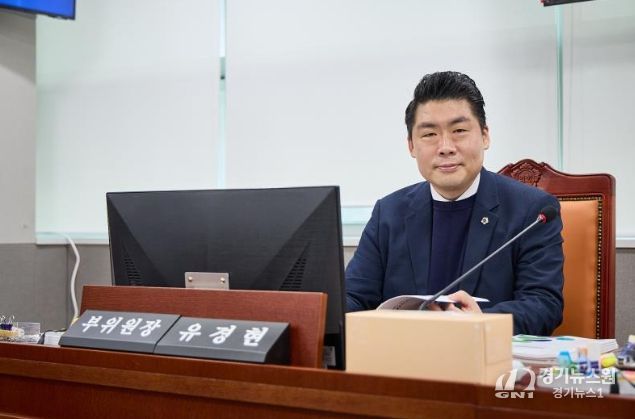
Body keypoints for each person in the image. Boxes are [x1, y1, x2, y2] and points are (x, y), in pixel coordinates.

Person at [345, 71, 564, 335]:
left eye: (459, 131)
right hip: (405, 354)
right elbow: (354, 297)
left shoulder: (532, 211)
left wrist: (483, 321)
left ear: (485, 136)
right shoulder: (389, 213)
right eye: (429, 134)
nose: (445, 147)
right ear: (411, 146)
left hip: (486, 355)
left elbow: (544, 304)